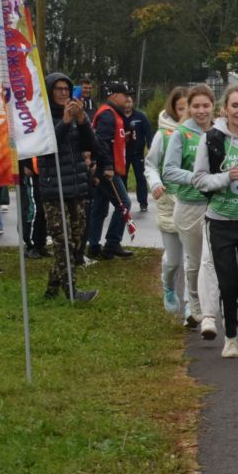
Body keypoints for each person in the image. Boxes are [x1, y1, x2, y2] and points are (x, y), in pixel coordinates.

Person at [189, 85, 238, 357]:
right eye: (235, 106)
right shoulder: (211, 138)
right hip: (220, 220)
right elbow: (199, 179)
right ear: (225, 109)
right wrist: (225, 178)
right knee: (227, 283)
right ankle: (231, 339)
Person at [162, 84, 220, 336]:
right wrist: (199, 178)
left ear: (213, 106)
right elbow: (169, 170)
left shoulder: (221, 132)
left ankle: (210, 312)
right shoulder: (181, 134)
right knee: (195, 261)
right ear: (190, 108)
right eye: (196, 106)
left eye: (205, 105)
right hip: (189, 206)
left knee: (214, 260)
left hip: (217, 205)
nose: (201, 110)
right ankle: (193, 302)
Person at [38, 72, 97, 302]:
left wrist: (82, 122)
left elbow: (92, 145)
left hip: (77, 185)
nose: (63, 93)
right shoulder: (43, 117)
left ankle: (51, 289)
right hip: (55, 188)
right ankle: (72, 293)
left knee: (76, 241)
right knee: (62, 242)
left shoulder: (77, 116)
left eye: (66, 89)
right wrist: (65, 121)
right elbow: (48, 144)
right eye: (58, 89)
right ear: (50, 92)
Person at [86, 81, 135, 261]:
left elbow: (109, 140)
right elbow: (102, 142)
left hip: (107, 168)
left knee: (99, 207)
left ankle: (93, 245)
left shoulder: (113, 114)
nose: (128, 98)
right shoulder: (108, 114)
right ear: (114, 95)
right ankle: (112, 243)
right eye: (125, 95)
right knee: (124, 204)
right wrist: (107, 166)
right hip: (107, 170)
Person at [149, 87, 185, 313]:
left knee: (195, 261)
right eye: (181, 108)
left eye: (188, 108)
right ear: (173, 109)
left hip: (196, 203)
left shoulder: (204, 133)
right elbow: (151, 164)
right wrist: (155, 183)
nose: (185, 113)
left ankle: (193, 305)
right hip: (169, 202)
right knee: (173, 260)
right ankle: (169, 286)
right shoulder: (163, 135)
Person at [126, 98, 154, 212]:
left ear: (132, 103)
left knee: (140, 178)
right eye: (126, 101)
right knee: (123, 178)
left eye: (129, 102)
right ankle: (123, 202)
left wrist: (149, 145)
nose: (127, 104)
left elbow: (148, 131)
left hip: (138, 154)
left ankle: (143, 203)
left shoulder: (140, 116)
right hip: (124, 153)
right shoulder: (119, 116)